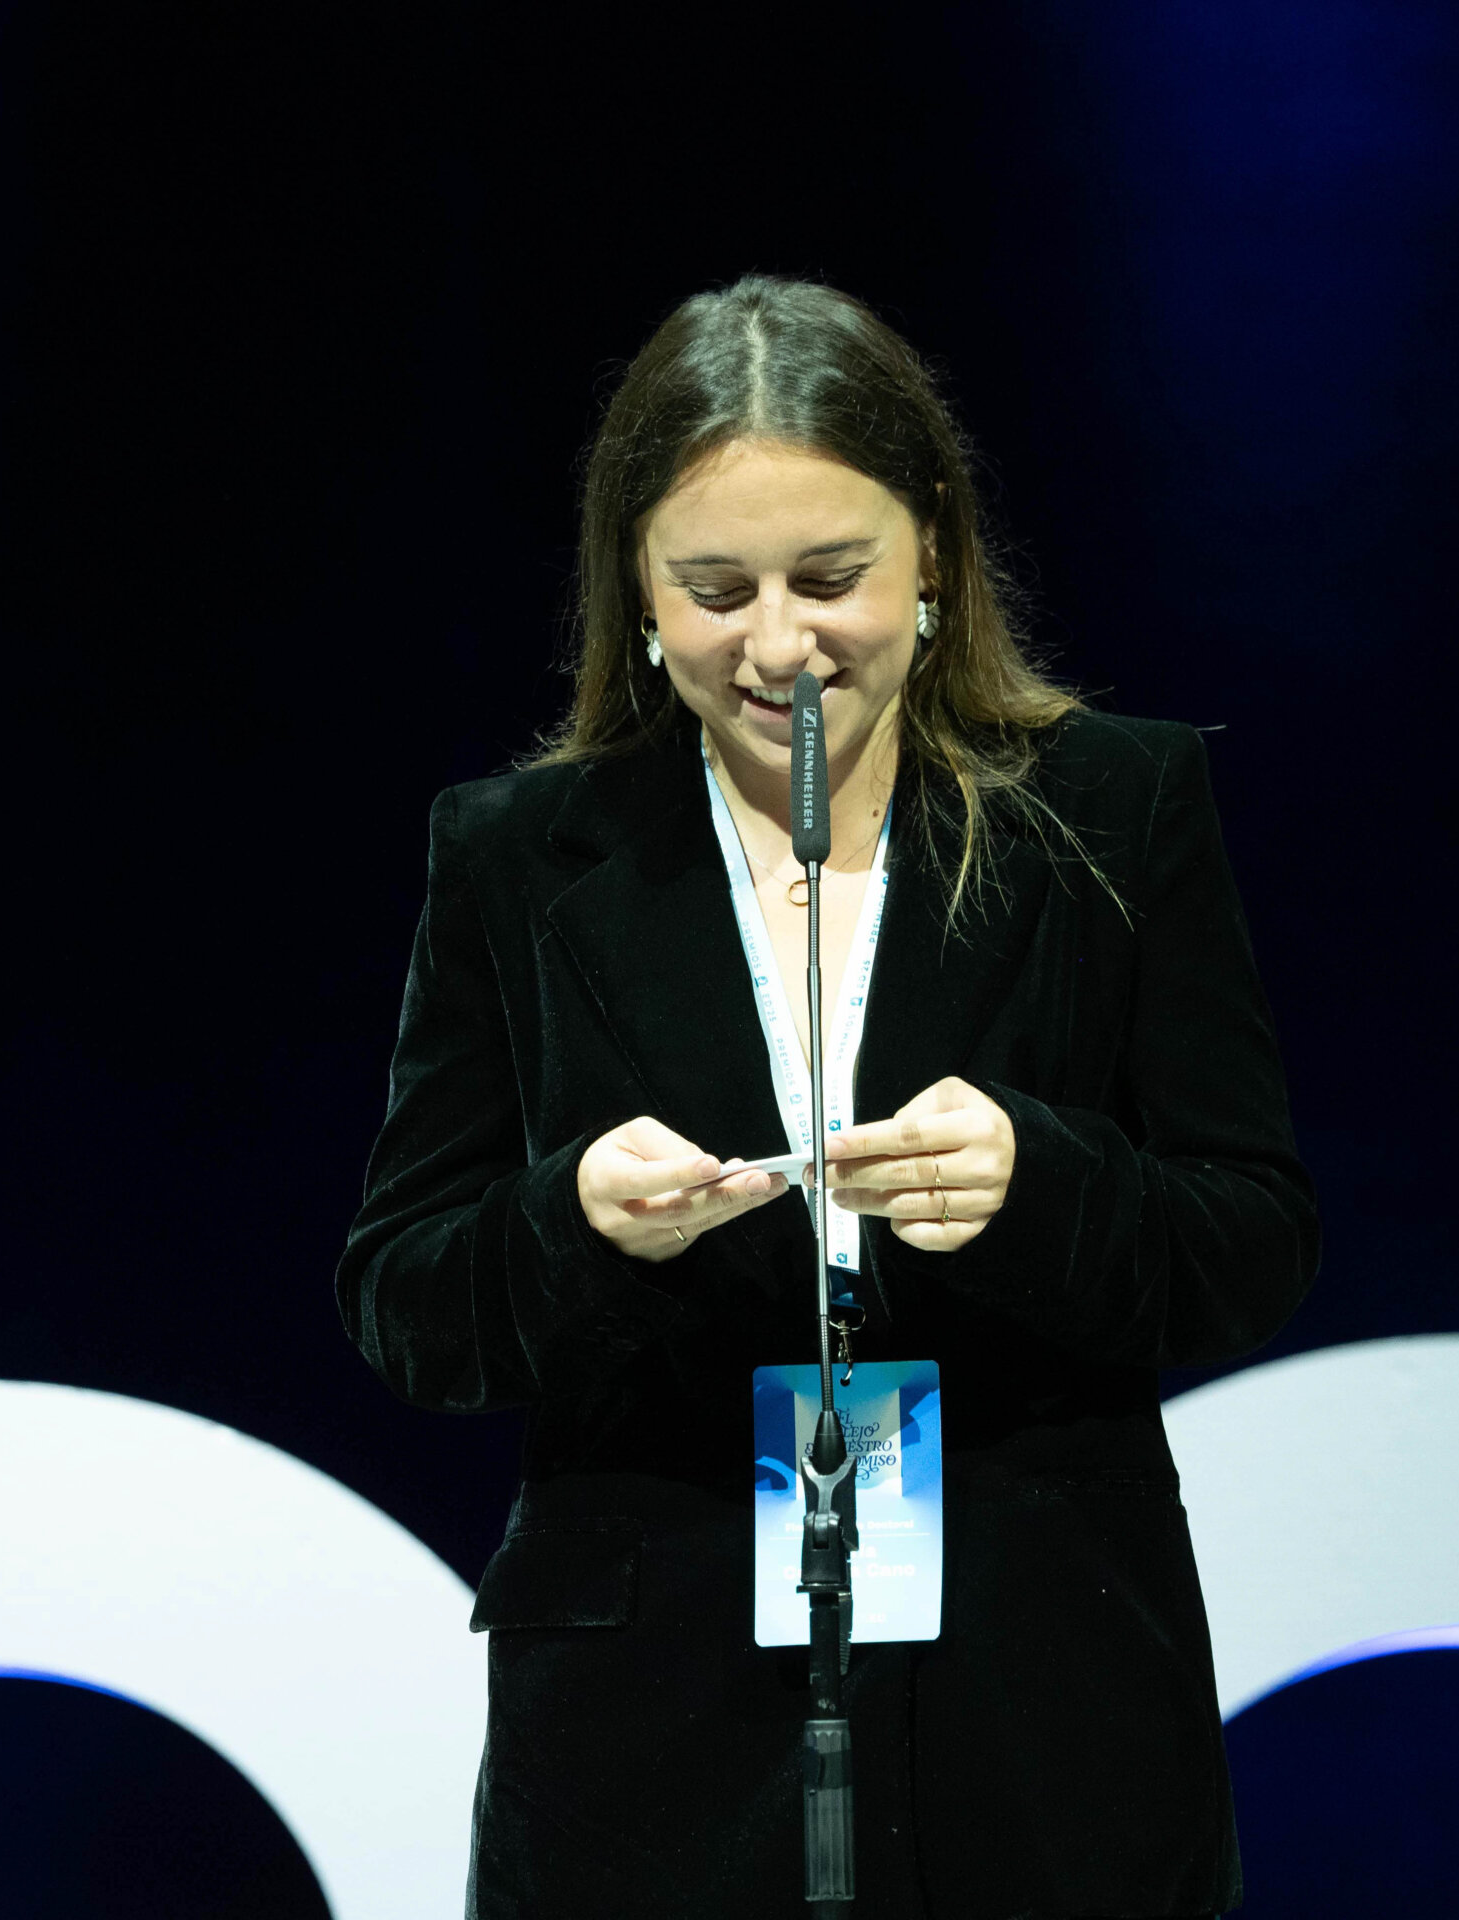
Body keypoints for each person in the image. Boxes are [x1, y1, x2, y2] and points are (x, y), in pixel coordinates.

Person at [338, 276, 1317, 1920]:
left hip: (1042, 1699)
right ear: (637, 596)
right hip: (645, 1738)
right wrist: (570, 1222)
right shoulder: (514, 857)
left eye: (830, 579)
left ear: (931, 552)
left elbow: (1256, 1238)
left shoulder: (1115, 808)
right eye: (713, 589)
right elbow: (401, 1302)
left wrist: (1044, 1182)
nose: (777, 646)